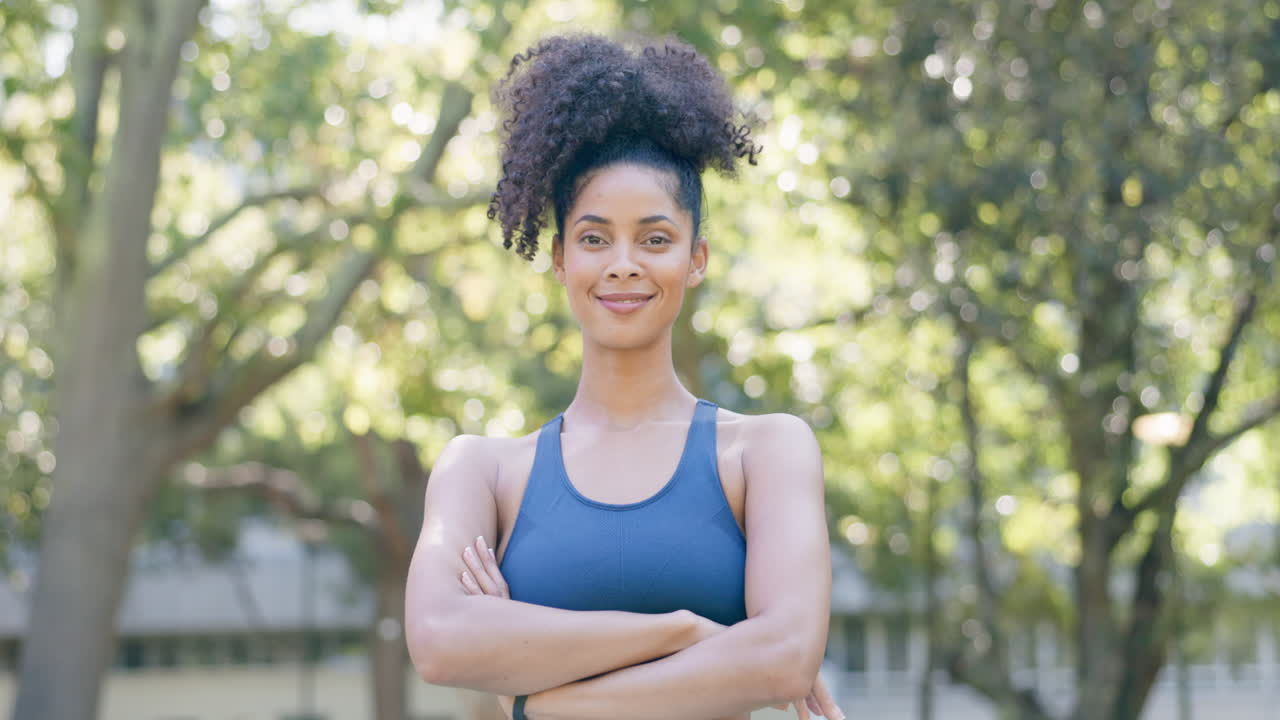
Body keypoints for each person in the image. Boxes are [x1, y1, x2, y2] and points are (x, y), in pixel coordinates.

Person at [404, 32, 842, 720]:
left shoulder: (767, 452)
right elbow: (438, 643)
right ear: (559, 259)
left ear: (696, 259)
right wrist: (688, 633)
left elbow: (785, 656)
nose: (624, 263)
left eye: (656, 238)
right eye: (595, 237)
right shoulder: (481, 470)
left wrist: (542, 700)